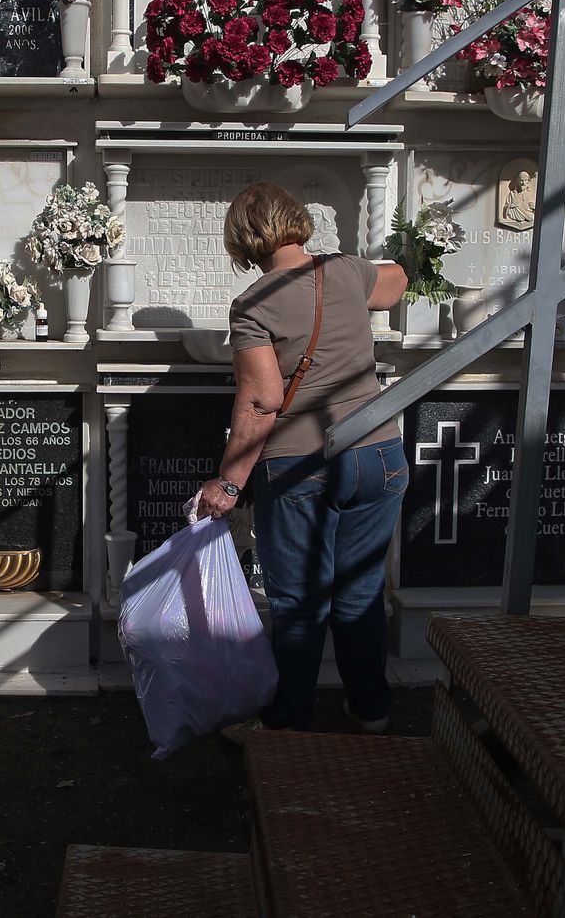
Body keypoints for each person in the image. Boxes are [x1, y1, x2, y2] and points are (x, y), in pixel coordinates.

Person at [194, 182, 409, 738]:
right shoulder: (346, 269)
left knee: (297, 600)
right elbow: (397, 283)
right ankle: (371, 711)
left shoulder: (253, 306)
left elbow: (262, 400)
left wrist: (228, 483)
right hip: (379, 453)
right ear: (295, 220)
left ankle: (287, 724)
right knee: (361, 593)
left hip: (300, 466)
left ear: (243, 239)